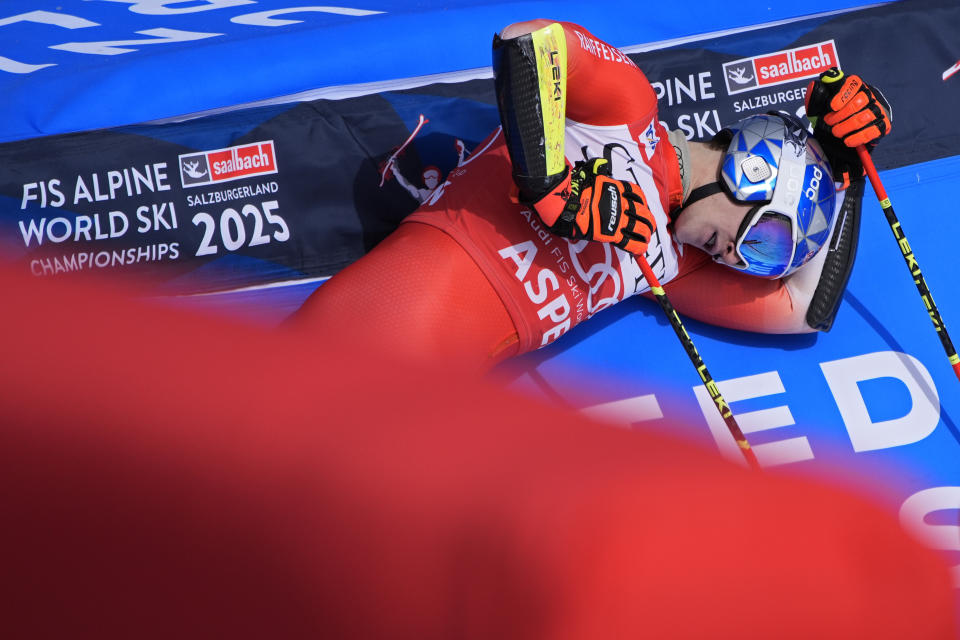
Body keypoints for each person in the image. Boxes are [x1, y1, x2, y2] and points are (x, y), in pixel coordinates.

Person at [289, 19, 891, 371]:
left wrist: (843, 164)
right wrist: (551, 183)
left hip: (439, 401)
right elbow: (532, 41)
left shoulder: (676, 265)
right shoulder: (630, 116)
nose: (739, 257)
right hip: (376, 331)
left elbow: (807, 310)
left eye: (761, 258)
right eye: (760, 236)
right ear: (752, 170)